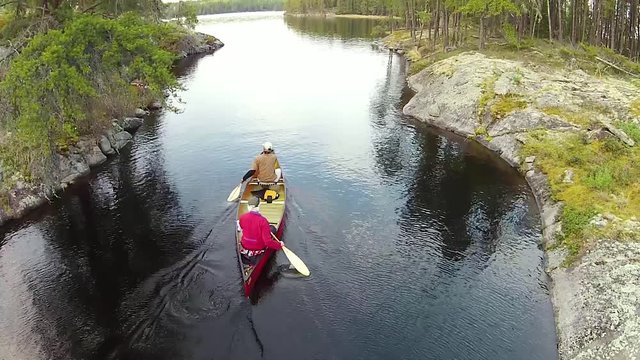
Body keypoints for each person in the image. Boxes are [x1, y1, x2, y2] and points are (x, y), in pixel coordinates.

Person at [238, 196, 283, 264]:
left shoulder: (242, 217)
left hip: (245, 246)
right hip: (258, 248)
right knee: (272, 229)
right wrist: (279, 245)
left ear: (248, 206)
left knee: (270, 229)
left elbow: (241, 229)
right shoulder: (263, 221)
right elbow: (267, 242)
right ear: (259, 205)